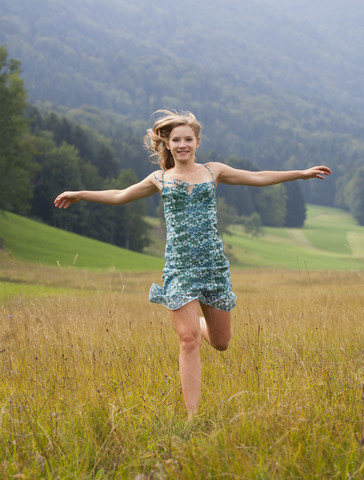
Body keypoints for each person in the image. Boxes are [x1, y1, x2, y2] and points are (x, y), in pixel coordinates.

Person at [54, 109, 332, 418]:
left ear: (197, 141)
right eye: (176, 140)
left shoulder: (214, 171)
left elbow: (258, 178)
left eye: (188, 139)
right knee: (187, 341)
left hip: (213, 266)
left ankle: (198, 325)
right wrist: (80, 194)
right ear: (168, 144)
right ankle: (192, 418)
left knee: (222, 343)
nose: (183, 144)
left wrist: (302, 173)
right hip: (179, 267)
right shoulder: (159, 178)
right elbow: (121, 195)